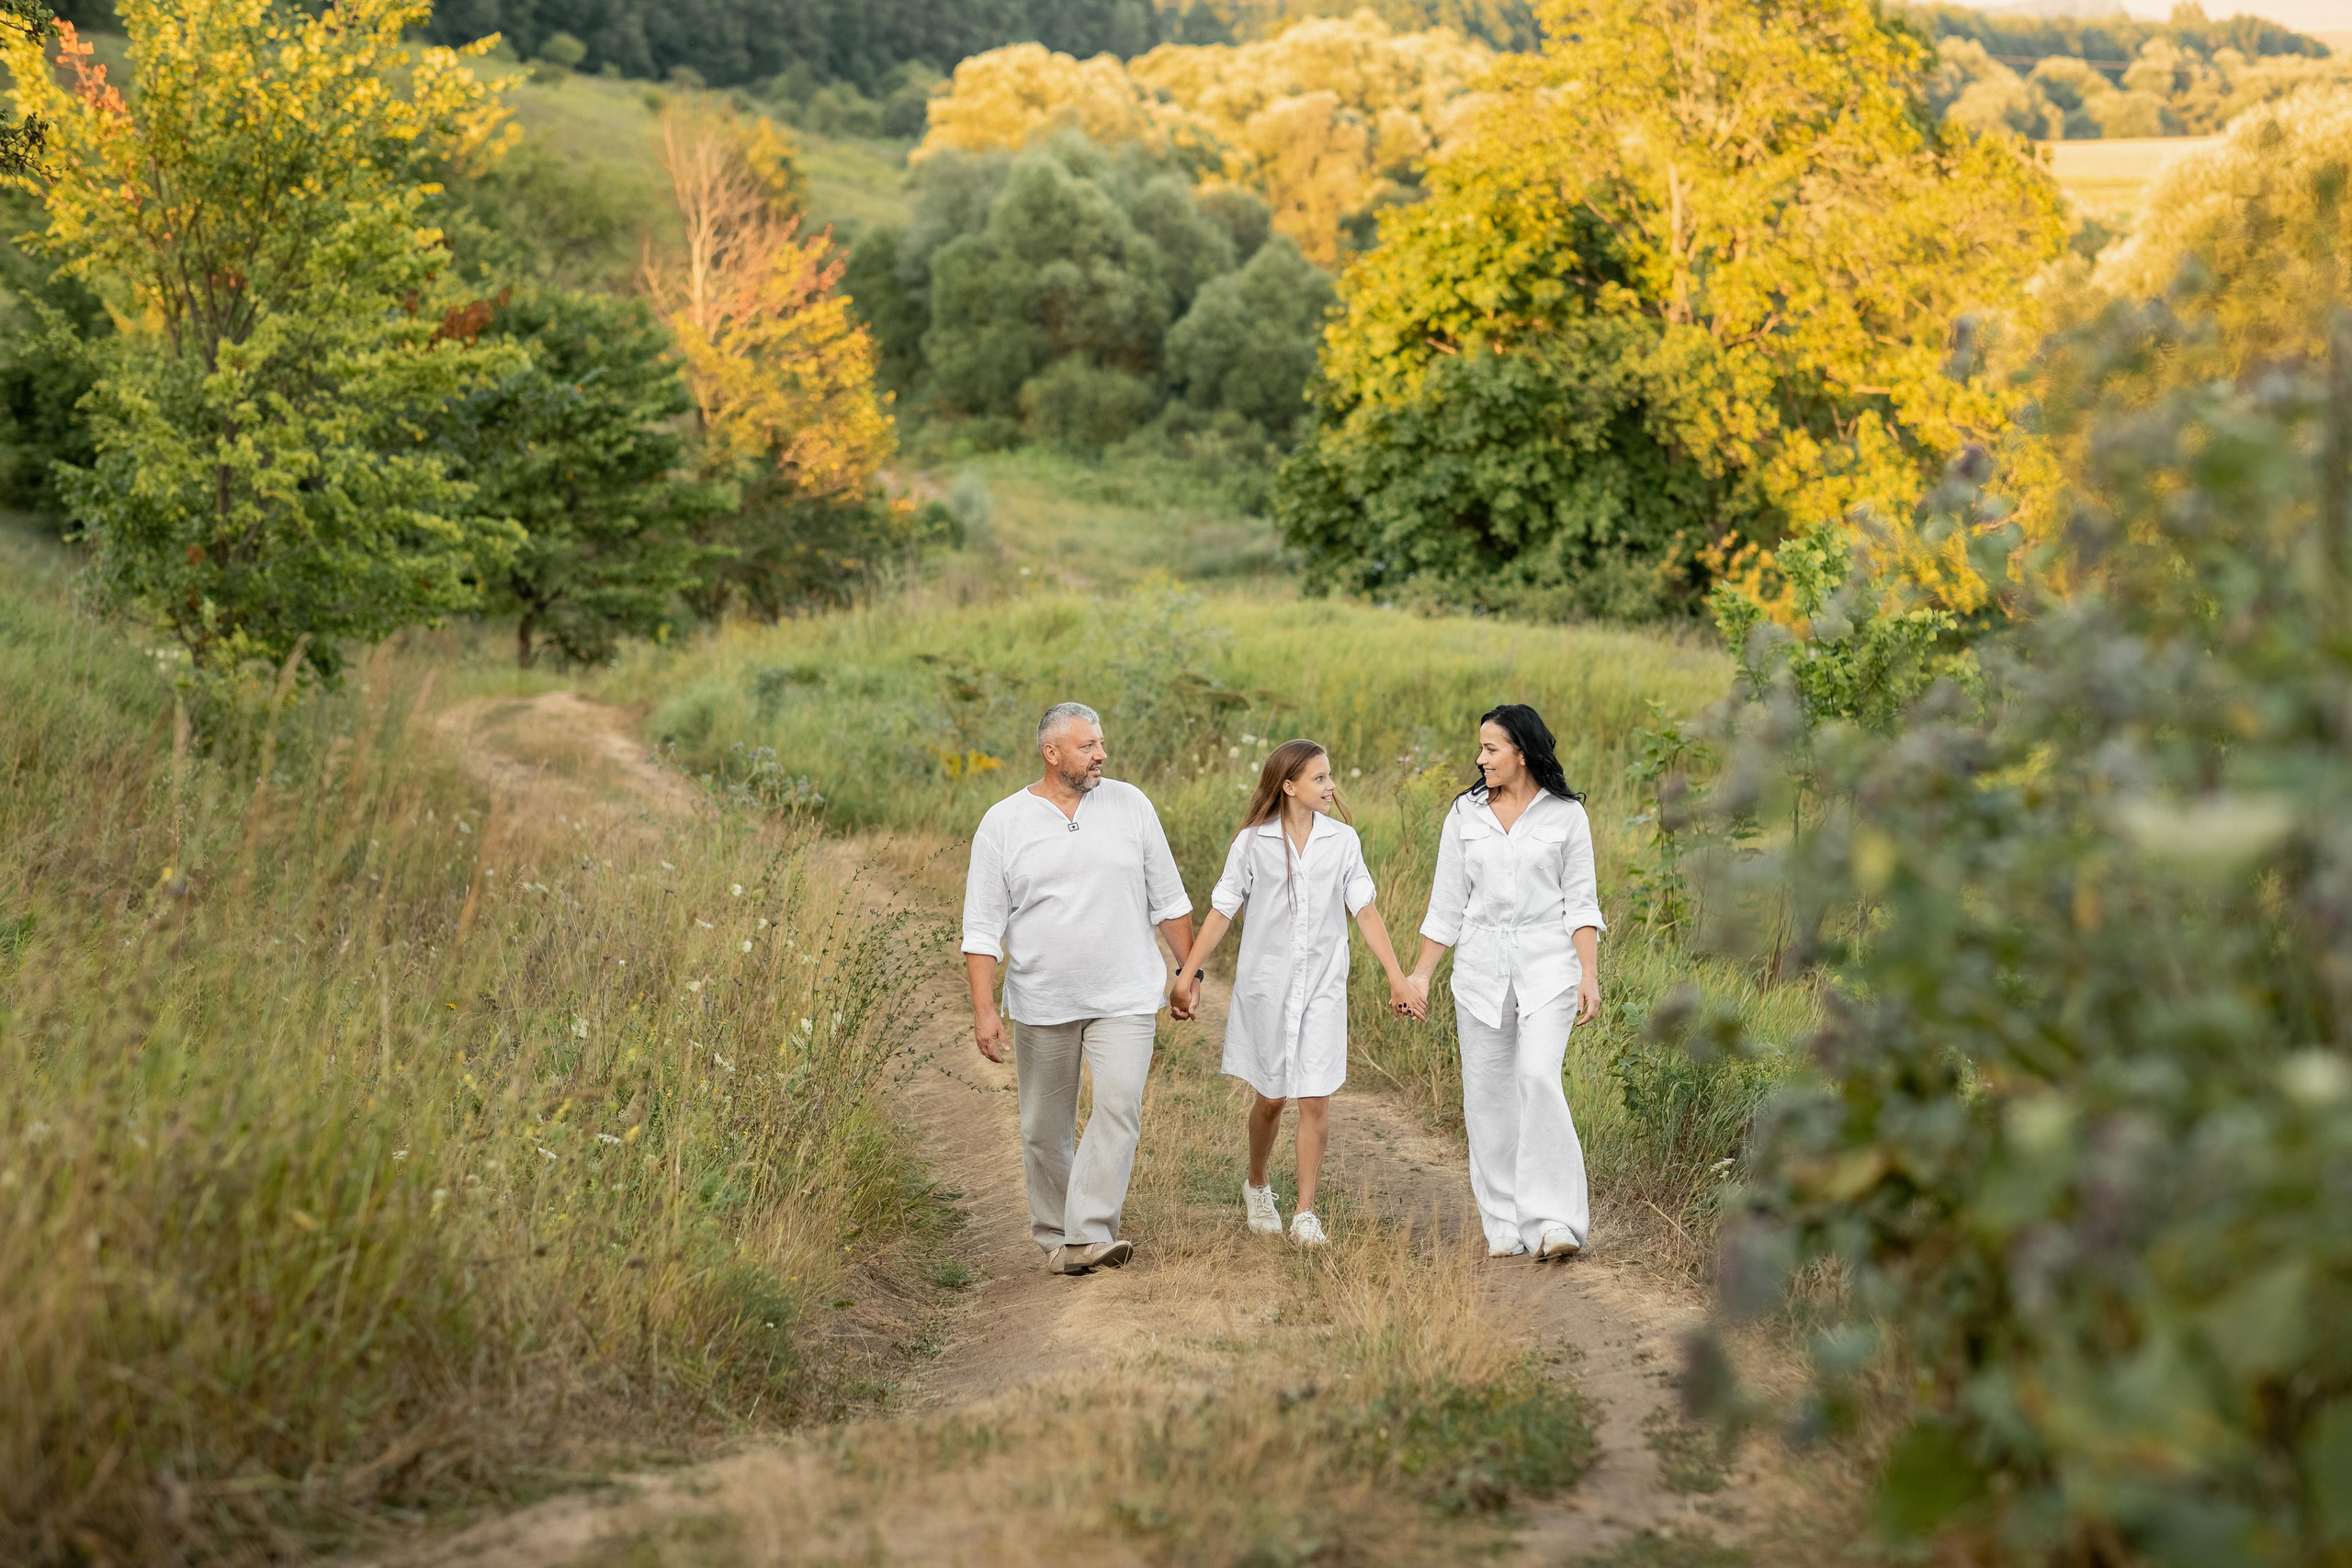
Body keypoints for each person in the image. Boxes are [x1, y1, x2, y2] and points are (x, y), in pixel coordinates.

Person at [961, 702, 1196, 1277]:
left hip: (1125, 995)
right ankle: (1057, 1237)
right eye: (1088, 745)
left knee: (1118, 1105)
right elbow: (982, 926)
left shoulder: (1131, 805)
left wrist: (1187, 973)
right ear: (1052, 753)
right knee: (1044, 1128)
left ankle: (1088, 1232)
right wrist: (985, 1008)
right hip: (1043, 1000)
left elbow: (1169, 899)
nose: (1101, 754)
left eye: (1101, 743)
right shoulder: (1003, 823)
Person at [1179, 740, 1420, 1248]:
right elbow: (1223, 911)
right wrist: (1188, 974)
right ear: (1288, 786)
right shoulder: (1251, 843)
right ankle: (1258, 1185)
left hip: (1324, 986)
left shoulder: (1342, 841)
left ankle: (1305, 1212)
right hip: (1268, 988)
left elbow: (1366, 912)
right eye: (1319, 778)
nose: (1331, 786)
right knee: (1272, 1097)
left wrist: (1397, 976)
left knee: (1315, 1098)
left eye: (1331, 776)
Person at [1404, 705, 1603, 1261]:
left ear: (1522, 750)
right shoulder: (1465, 814)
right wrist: (1420, 974)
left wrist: (1589, 973)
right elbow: (1446, 905)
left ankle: (1555, 1222)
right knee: (1488, 1097)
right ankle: (1503, 1222)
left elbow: (1582, 903)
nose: (1480, 758)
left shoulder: (1566, 816)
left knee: (1539, 1077)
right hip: (1479, 969)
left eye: (1490, 749)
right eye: (1481, 749)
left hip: (1549, 967)